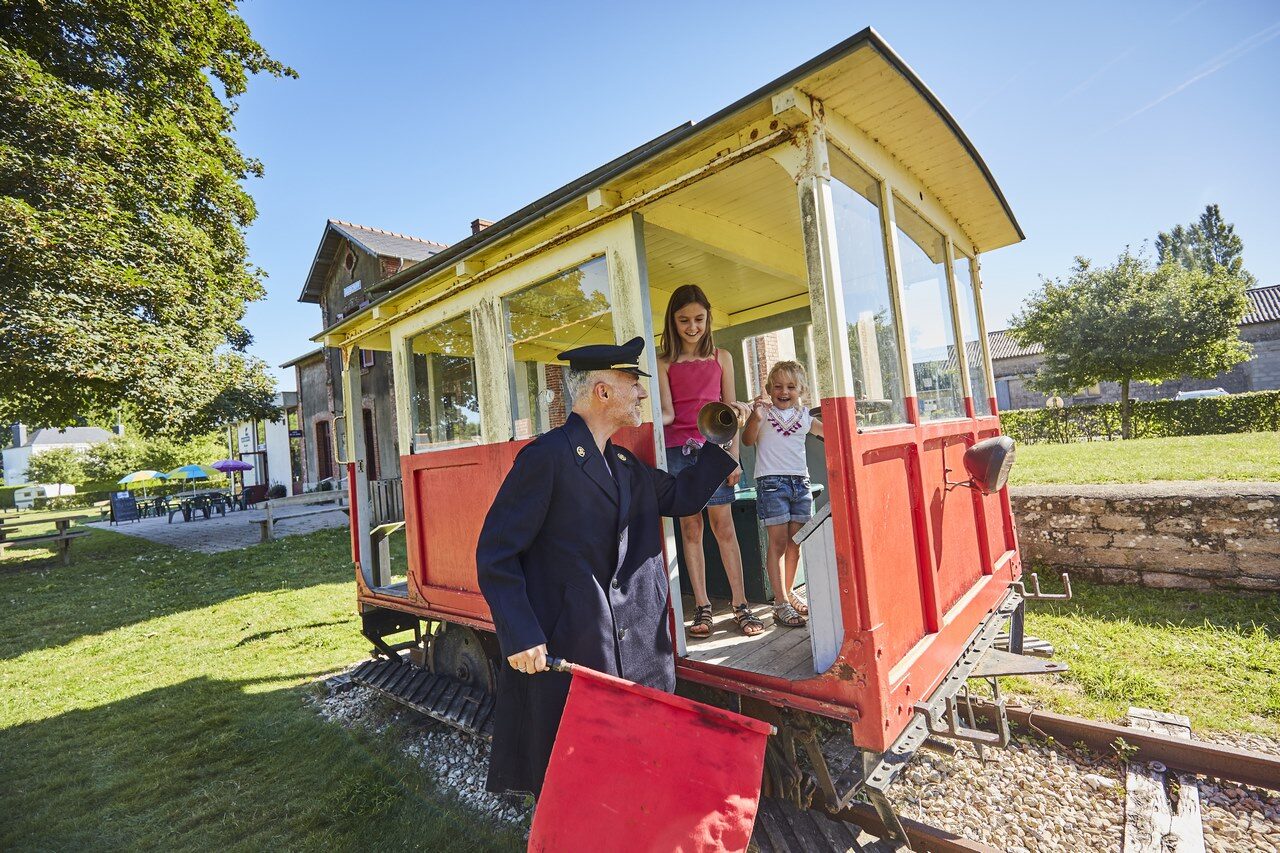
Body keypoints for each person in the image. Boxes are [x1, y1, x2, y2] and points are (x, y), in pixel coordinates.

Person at [475, 335, 739, 798]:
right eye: (632, 382)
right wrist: (521, 633)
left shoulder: (623, 462)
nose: (641, 392)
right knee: (579, 780)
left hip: (638, 651)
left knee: (635, 773)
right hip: (577, 648)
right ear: (602, 392)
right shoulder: (546, 458)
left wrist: (722, 439)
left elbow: (681, 497)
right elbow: (497, 553)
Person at [655, 284, 763, 639]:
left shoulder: (722, 358)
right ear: (672, 321)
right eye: (684, 320)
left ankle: (740, 604)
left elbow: (731, 412)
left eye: (699, 319)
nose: (691, 327)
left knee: (724, 527)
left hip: (714, 451)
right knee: (691, 529)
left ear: (708, 319)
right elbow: (667, 415)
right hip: (677, 453)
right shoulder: (663, 362)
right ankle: (702, 607)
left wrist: (733, 459)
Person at [741, 360, 824, 629]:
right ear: (769, 389)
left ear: (801, 390)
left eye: (791, 387)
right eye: (778, 386)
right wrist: (754, 417)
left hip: (801, 484)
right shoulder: (764, 415)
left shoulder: (805, 418)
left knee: (795, 543)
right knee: (777, 543)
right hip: (771, 483)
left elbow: (831, 433)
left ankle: (788, 594)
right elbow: (747, 440)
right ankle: (779, 603)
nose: (784, 391)